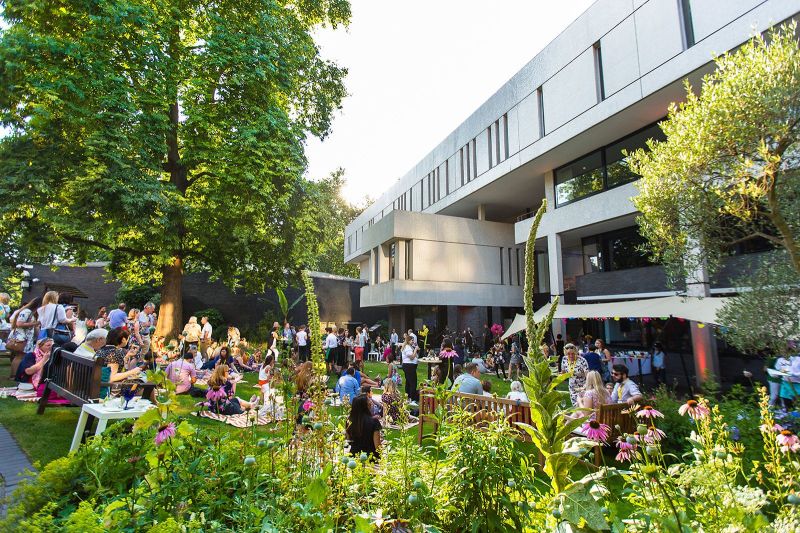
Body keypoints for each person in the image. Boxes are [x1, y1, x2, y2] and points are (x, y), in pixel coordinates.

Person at [346, 394, 382, 459]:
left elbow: (349, 440)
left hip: (353, 457)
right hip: (369, 458)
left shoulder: (349, 421)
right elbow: (378, 447)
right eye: (369, 400)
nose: (371, 402)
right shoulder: (374, 422)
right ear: (366, 405)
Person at [400, 333, 419, 402]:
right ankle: (412, 398)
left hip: (410, 366)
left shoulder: (409, 347)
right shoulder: (407, 347)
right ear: (408, 341)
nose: (413, 342)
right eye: (412, 340)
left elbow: (415, 356)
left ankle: (408, 397)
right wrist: (416, 350)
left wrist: (415, 350)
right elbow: (411, 357)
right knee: (413, 382)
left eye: (413, 340)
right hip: (409, 366)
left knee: (408, 382)